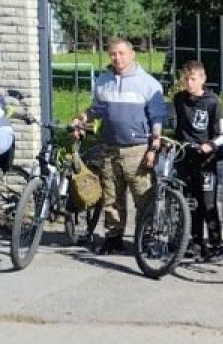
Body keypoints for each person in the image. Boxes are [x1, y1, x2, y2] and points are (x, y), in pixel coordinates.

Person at [70, 36, 168, 254]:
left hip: (137, 150)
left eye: (121, 53)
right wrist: (82, 118)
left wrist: (154, 148)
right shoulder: (103, 81)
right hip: (109, 149)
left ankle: (148, 239)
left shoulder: (149, 84)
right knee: (112, 198)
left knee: (143, 197)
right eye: (113, 54)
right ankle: (114, 238)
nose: (117, 58)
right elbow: (96, 109)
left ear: (132, 54)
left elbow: (157, 119)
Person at [172, 61, 223, 260]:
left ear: (202, 79)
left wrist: (210, 145)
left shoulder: (212, 102)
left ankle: (216, 244)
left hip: (205, 160)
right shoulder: (179, 99)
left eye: (193, 79)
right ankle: (195, 243)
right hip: (185, 158)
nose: (189, 83)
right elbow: (176, 127)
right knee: (190, 202)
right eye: (185, 79)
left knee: (207, 204)